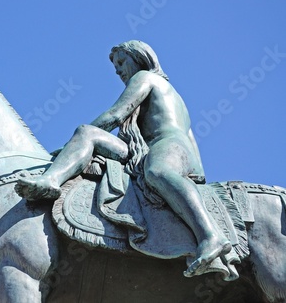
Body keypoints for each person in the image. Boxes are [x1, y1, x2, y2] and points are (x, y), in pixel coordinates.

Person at [15, 40, 231, 277]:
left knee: (157, 172)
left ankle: (210, 236)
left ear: (139, 58)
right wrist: (72, 148)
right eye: (115, 66)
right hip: (147, 149)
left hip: (166, 144)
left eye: (121, 62)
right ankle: (52, 180)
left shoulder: (146, 77)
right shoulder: (176, 98)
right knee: (86, 133)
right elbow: (194, 149)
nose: (117, 70)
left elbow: (117, 114)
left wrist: (67, 146)